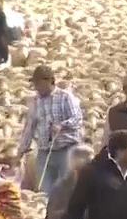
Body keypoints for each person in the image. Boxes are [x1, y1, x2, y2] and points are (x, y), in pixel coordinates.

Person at [17, 65, 83, 193]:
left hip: (66, 150)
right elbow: (30, 127)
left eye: (38, 82)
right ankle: (44, 211)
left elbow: (77, 119)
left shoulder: (65, 97)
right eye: (34, 83)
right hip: (44, 152)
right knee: (44, 190)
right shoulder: (35, 102)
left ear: (50, 81)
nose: (35, 87)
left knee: (67, 188)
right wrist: (21, 151)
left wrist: (62, 125)